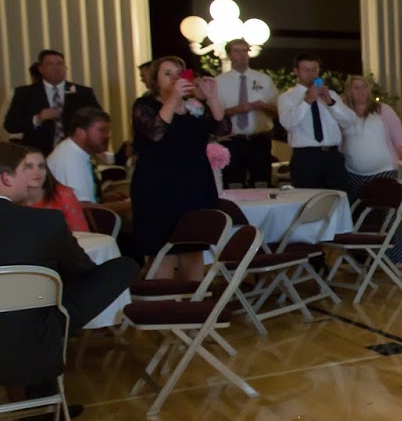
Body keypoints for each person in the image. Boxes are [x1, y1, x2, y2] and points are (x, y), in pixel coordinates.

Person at [0, 141, 139, 421]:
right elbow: (81, 267)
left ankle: (39, 404)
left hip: (22, 327)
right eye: (25, 169)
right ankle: (41, 402)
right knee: (122, 267)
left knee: (42, 302)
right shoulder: (45, 222)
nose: (32, 177)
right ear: (7, 178)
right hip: (33, 339)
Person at [129, 57, 225, 277]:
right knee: (162, 250)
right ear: (155, 80)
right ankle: (165, 298)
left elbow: (222, 128)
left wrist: (212, 98)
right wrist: (173, 97)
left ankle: (195, 297)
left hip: (195, 185)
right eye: (168, 74)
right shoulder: (145, 105)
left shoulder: (194, 107)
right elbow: (155, 133)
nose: (175, 78)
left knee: (194, 247)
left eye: (178, 73)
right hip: (159, 187)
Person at [341, 74, 402, 266]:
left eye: (364, 87)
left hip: (383, 170)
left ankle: (396, 258)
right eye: (356, 87)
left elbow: (400, 138)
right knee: (356, 216)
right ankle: (358, 259)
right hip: (353, 172)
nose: (361, 91)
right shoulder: (344, 113)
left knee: (389, 215)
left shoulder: (383, 110)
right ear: (349, 91)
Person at [278, 53, 355, 192]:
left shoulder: (331, 95)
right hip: (305, 157)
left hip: (332, 155)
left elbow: (349, 121)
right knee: (307, 197)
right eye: (306, 70)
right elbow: (288, 123)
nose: (311, 74)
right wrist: (307, 101)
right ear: (296, 71)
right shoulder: (287, 97)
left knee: (341, 196)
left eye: (314, 69)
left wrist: (330, 102)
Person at [5, 49, 102, 153]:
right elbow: (10, 125)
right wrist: (37, 119)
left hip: (75, 152)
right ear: (41, 69)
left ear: (65, 68)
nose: (56, 68)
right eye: (50, 64)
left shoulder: (83, 92)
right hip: (38, 154)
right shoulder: (24, 93)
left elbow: (99, 120)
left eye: (60, 64)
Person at [217, 38, 279, 188]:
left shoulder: (264, 80)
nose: (241, 55)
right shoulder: (219, 82)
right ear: (229, 55)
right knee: (234, 183)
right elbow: (215, 116)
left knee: (262, 183)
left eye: (244, 51)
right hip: (233, 141)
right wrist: (238, 109)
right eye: (236, 51)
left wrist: (263, 106)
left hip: (260, 140)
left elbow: (278, 112)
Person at [48, 107, 131, 219]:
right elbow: (85, 210)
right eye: (101, 130)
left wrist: (103, 197)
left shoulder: (75, 151)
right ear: (80, 132)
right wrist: (129, 205)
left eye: (108, 131)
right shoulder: (71, 159)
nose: (108, 136)